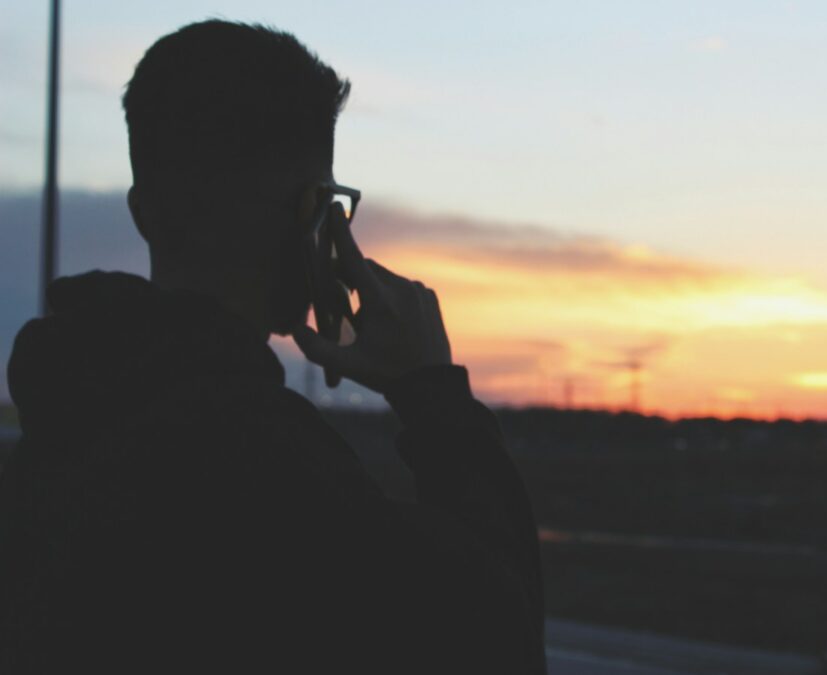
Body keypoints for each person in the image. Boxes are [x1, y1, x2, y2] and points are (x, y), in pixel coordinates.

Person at [0, 20, 545, 673]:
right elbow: (500, 638)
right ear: (315, 217)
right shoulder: (269, 467)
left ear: (144, 211)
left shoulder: (45, 454)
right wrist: (435, 400)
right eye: (330, 207)